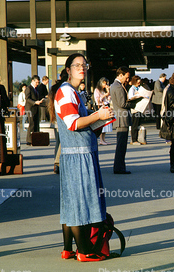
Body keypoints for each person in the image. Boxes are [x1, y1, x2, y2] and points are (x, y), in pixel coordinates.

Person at [50, 53, 113, 262]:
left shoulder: (71, 92)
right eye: (77, 65)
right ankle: (84, 251)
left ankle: (68, 248)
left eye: (84, 65)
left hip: (76, 154)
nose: (82, 68)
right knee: (79, 203)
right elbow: (73, 123)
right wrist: (98, 116)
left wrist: (100, 119)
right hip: (78, 156)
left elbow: (78, 124)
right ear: (68, 70)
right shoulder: (67, 92)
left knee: (70, 203)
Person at [110, 66, 135, 174]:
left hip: (119, 117)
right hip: (122, 118)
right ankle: (119, 167)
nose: (128, 79)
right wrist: (134, 103)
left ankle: (119, 166)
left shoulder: (114, 85)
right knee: (121, 145)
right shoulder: (119, 87)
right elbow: (122, 104)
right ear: (120, 75)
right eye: (126, 77)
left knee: (121, 144)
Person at [25, 75, 43, 145]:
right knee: (31, 124)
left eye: (38, 82)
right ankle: (29, 140)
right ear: (32, 81)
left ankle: (35, 139)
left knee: (36, 124)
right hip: (30, 108)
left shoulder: (37, 89)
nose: (37, 84)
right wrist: (34, 102)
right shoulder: (29, 88)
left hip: (36, 108)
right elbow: (27, 98)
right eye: (36, 82)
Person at [94, 77, 112, 145]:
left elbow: (109, 99)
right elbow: (97, 99)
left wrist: (108, 92)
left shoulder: (104, 90)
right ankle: (101, 140)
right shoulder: (97, 90)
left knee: (106, 124)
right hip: (101, 106)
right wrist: (105, 95)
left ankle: (104, 139)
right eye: (104, 83)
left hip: (106, 105)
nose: (106, 85)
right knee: (102, 124)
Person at [127, 75, 145, 145]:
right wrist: (137, 95)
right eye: (138, 82)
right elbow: (130, 97)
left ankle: (137, 138)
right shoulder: (132, 89)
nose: (139, 83)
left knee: (138, 124)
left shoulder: (139, 88)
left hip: (140, 108)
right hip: (135, 108)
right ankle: (134, 139)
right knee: (134, 124)